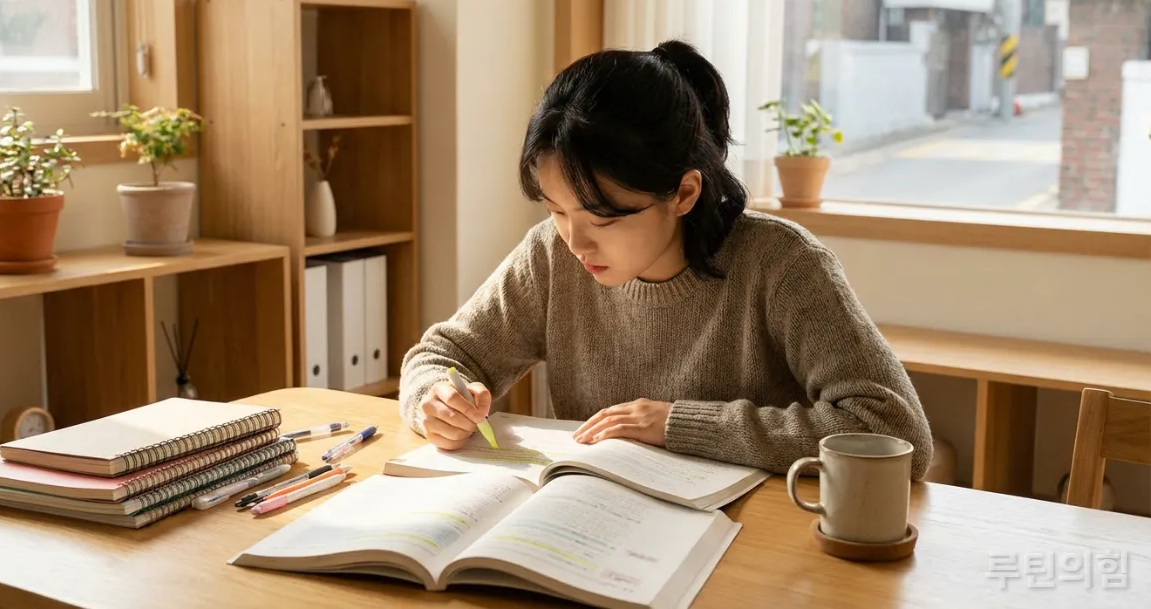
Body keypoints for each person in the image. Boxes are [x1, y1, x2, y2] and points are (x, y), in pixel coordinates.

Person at [398, 39, 934, 479]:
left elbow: (896, 433)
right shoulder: (550, 255)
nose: (575, 242)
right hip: (600, 523)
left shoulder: (781, 264)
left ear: (683, 193)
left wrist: (679, 424)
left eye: (603, 218)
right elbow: (443, 353)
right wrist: (437, 397)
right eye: (556, 210)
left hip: (756, 538)